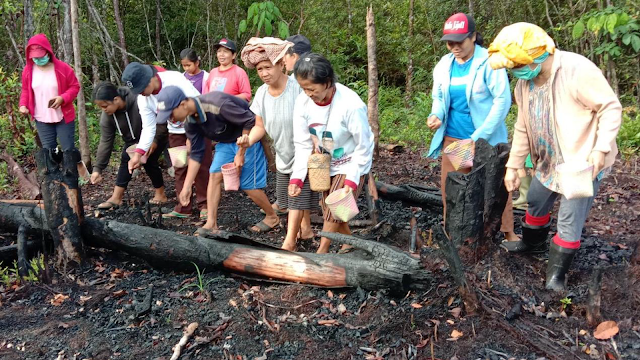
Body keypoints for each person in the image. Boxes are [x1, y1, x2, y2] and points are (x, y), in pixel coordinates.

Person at [488, 22, 622, 291]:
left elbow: (610, 107)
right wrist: (513, 166)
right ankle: (532, 243)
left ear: (538, 54)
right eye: (512, 68)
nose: (515, 72)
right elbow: (523, 126)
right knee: (536, 199)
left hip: (581, 162)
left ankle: (556, 276)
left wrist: (601, 148)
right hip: (547, 161)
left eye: (517, 65)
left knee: (570, 218)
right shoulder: (524, 85)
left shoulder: (576, 70)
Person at [426, 13, 518, 241]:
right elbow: (438, 95)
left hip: (486, 140)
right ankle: (454, 233)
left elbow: (502, 100)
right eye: (450, 42)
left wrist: (480, 137)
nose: (454, 47)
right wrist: (436, 113)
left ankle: (507, 232)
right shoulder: (445, 64)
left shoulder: (489, 61)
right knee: (455, 187)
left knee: (495, 186)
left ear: (473, 37)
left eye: (460, 41)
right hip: (455, 138)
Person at [155, 86, 279, 234]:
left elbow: (250, 121)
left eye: (170, 114)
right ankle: (211, 223)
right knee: (214, 175)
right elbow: (196, 154)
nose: (171, 119)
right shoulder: (190, 122)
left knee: (247, 185)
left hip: (248, 138)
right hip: (226, 142)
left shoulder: (218, 104)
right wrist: (187, 186)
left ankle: (272, 216)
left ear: (183, 104)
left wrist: (241, 152)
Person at [289, 53, 374, 254]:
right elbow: (302, 143)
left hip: (351, 160)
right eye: (304, 88)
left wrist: (352, 181)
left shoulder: (351, 105)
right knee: (331, 208)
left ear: (327, 83)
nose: (308, 93)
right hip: (324, 162)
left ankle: (322, 251)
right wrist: (297, 178)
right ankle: (350, 242)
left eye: (312, 88)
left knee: (336, 205)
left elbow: (365, 144)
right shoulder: (302, 102)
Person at [239, 37, 318, 250]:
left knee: (296, 198)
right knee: (287, 198)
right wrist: (248, 140)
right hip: (283, 152)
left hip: (304, 152)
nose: (264, 73)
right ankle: (306, 230)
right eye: (259, 69)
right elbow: (260, 126)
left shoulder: (297, 88)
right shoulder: (262, 93)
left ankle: (289, 242)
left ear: (281, 64)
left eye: (268, 67)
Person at [121, 62, 211, 219]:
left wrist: (194, 134)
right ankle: (184, 207)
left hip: (198, 126)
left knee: (202, 165)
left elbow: (197, 103)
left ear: (150, 79)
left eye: (141, 88)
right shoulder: (144, 99)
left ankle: (205, 205)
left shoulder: (174, 79)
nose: (140, 93)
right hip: (175, 132)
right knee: (180, 166)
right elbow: (149, 127)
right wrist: (138, 154)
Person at [91, 82, 169, 209]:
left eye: (105, 106)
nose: (104, 110)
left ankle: (160, 194)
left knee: (149, 160)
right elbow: (105, 141)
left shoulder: (139, 99)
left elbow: (160, 119)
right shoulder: (108, 116)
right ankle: (116, 198)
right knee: (125, 160)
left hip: (155, 135)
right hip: (132, 141)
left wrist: (154, 140)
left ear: (116, 100)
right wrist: (97, 169)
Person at [19, 33, 79, 155]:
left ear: (48, 52)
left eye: (40, 56)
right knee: (49, 152)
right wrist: (23, 105)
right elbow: (25, 90)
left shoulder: (63, 68)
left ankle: (72, 171)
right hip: (41, 118)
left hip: (63, 116)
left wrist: (63, 98)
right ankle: (53, 174)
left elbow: (75, 87)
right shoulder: (28, 71)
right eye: (34, 57)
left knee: (68, 150)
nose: (38, 60)